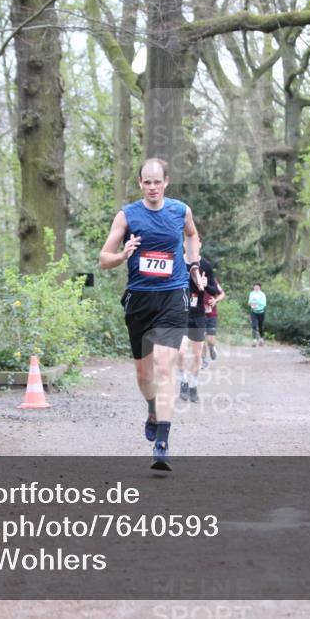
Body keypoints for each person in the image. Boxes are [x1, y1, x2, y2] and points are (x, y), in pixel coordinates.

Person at [99, 158, 204, 471]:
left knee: (164, 366)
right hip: (140, 300)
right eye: (147, 182)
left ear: (166, 182)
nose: (153, 187)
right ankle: (152, 409)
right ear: (140, 183)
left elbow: (192, 235)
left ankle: (163, 440)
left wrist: (193, 264)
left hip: (173, 295)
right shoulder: (127, 215)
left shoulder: (180, 210)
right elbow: (104, 258)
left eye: (158, 181)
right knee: (144, 376)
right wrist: (123, 254)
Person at [178, 238, 219, 403]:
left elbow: (214, 290)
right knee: (180, 352)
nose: (191, 245)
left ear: (200, 245)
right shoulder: (177, 262)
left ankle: (193, 385)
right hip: (180, 313)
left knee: (196, 355)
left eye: (194, 243)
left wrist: (205, 285)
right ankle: (183, 381)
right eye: (188, 243)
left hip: (198, 315)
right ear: (183, 245)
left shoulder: (206, 265)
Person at [201, 279, 225, 369]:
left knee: (210, 340)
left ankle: (211, 347)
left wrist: (215, 300)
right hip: (199, 315)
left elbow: (222, 294)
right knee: (200, 339)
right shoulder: (193, 278)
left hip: (211, 315)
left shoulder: (213, 281)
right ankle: (204, 360)